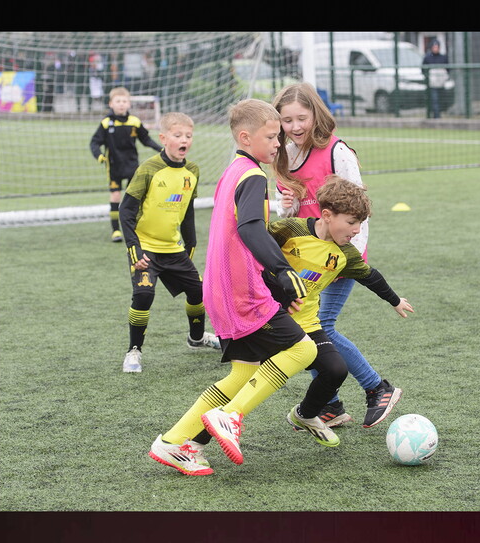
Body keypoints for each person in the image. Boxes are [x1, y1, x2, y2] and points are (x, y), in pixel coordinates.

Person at [148, 99, 317, 476]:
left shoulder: (233, 171)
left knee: (242, 375)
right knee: (303, 349)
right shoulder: (254, 176)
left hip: (221, 293)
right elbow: (250, 229)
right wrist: (282, 270)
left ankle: (173, 443)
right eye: (271, 136)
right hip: (241, 295)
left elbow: (241, 236)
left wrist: (275, 284)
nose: (279, 142)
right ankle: (229, 415)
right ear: (246, 137)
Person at [272, 82, 402, 430]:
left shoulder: (337, 151)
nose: (296, 126)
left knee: (320, 326)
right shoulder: (283, 153)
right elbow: (290, 218)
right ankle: (330, 405)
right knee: (304, 330)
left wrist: (353, 256)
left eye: (302, 117)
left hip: (341, 258)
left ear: (316, 114)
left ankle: (377, 388)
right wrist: (285, 206)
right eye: (287, 120)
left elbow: (359, 208)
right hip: (308, 259)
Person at [269, 176, 414, 446]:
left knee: (335, 369)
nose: (357, 230)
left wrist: (394, 300)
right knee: (251, 373)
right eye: (351, 223)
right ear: (327, 215)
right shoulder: (288, 229)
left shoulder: (344, 254)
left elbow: (370, 276)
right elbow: (254, 249)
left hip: (306, 325)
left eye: (360, 223)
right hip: (268, 319)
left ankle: (308, 413)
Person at [117, 112, 221, 373]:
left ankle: (196, 339)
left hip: (174, 250)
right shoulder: (149, 169)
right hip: (146, 249)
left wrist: (191, 244)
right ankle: (134, 351)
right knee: (143, 295)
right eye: (177, 135)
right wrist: (134, 249)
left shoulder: (192, 171)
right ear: (164, 138)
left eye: (188, 135)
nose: (184, 140)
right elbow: (126, 211)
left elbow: (187, 211)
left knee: (199, 292)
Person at [90, 86, 163, 242]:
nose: (121, 104)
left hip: (132, 165)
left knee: (133, 197)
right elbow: (94, 143)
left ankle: (134, 228)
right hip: (114, 166)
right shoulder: (106, 123)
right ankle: (116, 230)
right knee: (116, 195)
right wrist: (100, 156)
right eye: (118, 101)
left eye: (124, 101)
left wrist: (161, 149)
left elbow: (146, 140)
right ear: (111, 103)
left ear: (129, 104)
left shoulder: (134, 122)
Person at [422, 40, 449, 119]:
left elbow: (448, 69)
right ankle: (436, 116)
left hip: (442, 83)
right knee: (434, 99)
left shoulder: (443, 57)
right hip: (432, 84)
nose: (435, 48)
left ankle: (439, 114)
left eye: (437, 47)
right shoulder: (427, 58)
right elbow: (423, 70)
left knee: (441, 100)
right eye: (434, 47)